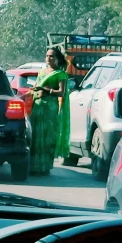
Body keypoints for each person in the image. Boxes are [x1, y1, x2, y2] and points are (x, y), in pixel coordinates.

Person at [28, 47, 71, 175]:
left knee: (47, 137)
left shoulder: (60, 74)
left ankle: (45, 167)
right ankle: (33, 167)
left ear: (58, 59)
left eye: (51, 56)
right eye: (47, 56)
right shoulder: (42, 72)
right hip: (38, 105)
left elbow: (61, 92)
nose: (48, 58)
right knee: (35, 136)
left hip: (50, 108)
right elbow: (35, 88)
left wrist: (47, 90)